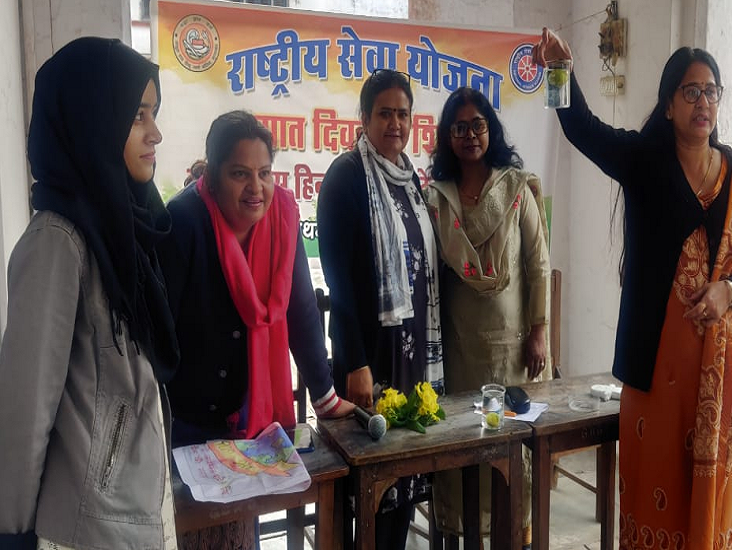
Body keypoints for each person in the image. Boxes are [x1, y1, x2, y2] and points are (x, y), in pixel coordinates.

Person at [533, 29, 732, 548]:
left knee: (712, 515)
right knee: (658, 508)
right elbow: (581, 128)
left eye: (711, 91)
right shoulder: (644, 162)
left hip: (721, 383)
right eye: (690, 91)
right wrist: (558, 72)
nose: (703, 102)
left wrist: (730, 291)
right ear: (669, 105)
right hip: (656, 378)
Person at [0, 37, 179, 549]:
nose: (155, 133)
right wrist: (12, 532)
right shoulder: (57, 241)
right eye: (137, 115)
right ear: (93, 120)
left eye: (153, 113)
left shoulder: (123, 232)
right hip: (83, 530)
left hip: (137, 513)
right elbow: (25, 410)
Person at [157, 110, 354, 546]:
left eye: (264, 173)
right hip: (189, 418)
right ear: (212, 175)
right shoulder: (184, 221)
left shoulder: (282, 216)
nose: (256, 188)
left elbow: (301, 310)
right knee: (196, 529)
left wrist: (324, 396)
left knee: (241, 532)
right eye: (239, 174)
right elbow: (160, 331)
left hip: (250, 413)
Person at [317, 69, 444, 550]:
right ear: (365, 118)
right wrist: (355, 362)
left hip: (411, 359)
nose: (395, 123)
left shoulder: (411, 179)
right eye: (385, 113)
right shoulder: (346, 177)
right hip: (370, 360)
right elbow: (339, 281)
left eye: (403, 114)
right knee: (365, 489)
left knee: (403, 479)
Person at [425, 86, 550, 547]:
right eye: (459, 127)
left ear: (490, 129)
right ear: (447, 136)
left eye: (477, 125)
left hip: (512, 347)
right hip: (459, 347)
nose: (470, 135)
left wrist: (539, 331)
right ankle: (461, 535)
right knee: (463, 442)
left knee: (510, 443)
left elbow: (538, 264)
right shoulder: (436, 198)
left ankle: (512, 533)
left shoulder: (516, 188)